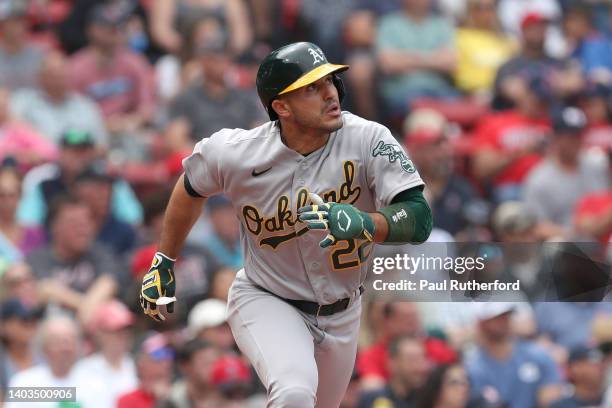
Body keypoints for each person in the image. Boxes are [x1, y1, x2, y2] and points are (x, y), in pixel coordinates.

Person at [140, 41, 433, 407]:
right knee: (294, 392)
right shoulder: (237, 153)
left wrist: (367, 222)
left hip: (343, 311)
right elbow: (189, 188)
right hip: (268, 297)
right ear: (281, 106)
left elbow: (419, 217)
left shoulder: (368, 139)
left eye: (330, 81)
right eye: (312, 87)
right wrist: (164, 259)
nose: (330, 93)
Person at [26, 195, 123, 322]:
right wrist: (87, 307)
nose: (83, 229)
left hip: (94, 325)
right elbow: (45, 289)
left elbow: (108, 284)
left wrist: (84, 309)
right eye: (74, 223)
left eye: (86, 222)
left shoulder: (100, 253)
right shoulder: (38, 258)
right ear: (54, 227)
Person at [523, 106, 608, 228]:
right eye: (569, 136)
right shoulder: (539, 179)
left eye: (578, 135)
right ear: (555, 138)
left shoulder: (597, 165)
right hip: (566, 242)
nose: (575, 141)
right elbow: (537, 226)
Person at [466, 303, 562, 408]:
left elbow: (551, 399)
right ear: (482, 323)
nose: (504, 321)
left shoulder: (538, 356)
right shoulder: (474, 370)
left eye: (506, 316)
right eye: (496, 318)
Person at [10, 50, 109, 146]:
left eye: (61, 74)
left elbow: (101, 144)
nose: (57, 80)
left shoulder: (85, 106)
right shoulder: (23, 102)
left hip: (83, 160)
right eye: (52, 75)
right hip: (39, 161)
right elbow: (9, 134)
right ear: (40, 77)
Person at [376, 0, 457, 115]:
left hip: (440, 91)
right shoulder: (389, 24)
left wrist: (407, 58)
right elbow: (388, 64)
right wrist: (433, 58)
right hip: (403, 92)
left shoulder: (441, 24)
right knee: (424, 112)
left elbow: (450, 63)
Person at [6, 316, 84, 408]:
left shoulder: (95, 382)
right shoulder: (24, 383)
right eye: (57, 341)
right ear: (44, 347)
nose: (64, 348)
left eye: (69, 341)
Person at [73, 300, 138, 408]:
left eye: (126, 330)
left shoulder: (138, 367)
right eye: (116, 330)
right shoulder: (83, 370)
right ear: (100, 333)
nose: (123, 336)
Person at [357, 335, 431, 407]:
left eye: (422, 359)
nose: (420, 367)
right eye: (412, 360)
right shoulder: (374, 399)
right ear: (392, 363)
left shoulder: (429, 399)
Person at [117, 332, 174, 408]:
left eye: (169, 353)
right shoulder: (128, 400)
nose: (166, 362)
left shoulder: (181, 394)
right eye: (158, 355)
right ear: (141, 363)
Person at [0, 0, 44, 90]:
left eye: (22, 20)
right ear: (2, 23)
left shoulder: (40, 55)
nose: (20, 25)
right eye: (14, 20)